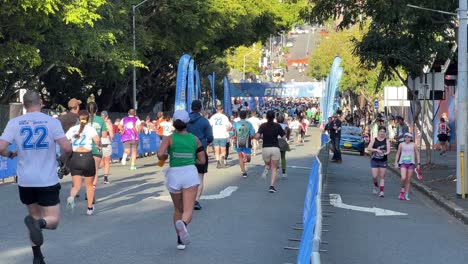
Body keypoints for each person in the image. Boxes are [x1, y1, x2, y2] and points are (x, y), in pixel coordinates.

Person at [0, 90, 72, 264]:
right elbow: (67, 148)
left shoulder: (14, 122)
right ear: (40, 103)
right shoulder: (51, 122)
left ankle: (37, 256)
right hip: (46, 179)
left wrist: (10, 155)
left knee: (34, 216)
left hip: (25, 181)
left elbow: (1, 147)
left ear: (24, 105)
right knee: (52, 221)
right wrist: (62, 159)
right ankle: (39, 226)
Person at [157, 110, 206, 250]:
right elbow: (202, 160)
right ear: (187, 123)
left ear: (174, 123)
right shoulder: (194, 139)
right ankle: (183, 226)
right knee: (188, 210)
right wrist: (191, 158)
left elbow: (160, 154)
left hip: (174, 174)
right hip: (189, 172)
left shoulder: (169, 138)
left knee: (178, 209)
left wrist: (165, 156)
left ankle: (179, 240)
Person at [65, 110, 100, 215]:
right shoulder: (91, 129)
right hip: (87, 157)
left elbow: (66, 141)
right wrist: (98, 146)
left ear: (78, 119)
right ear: (88, 119)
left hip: (75, 157)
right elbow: (97, 140)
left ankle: (71, 197)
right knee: (89, 185)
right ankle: (89, 208)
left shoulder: (72, 129)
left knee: (76, 185)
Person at [187, 100, 213, 211]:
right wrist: (204, 143)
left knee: (186, 176)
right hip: (200, 150)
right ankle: (196, 200)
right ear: (201, 108)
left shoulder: (185, 120)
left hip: (186, 150)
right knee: (200, 176)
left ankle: (186, 199)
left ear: (191, 107)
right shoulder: (204, 121)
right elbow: (210, 137)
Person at [255, 110, 285, 193]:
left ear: (266, 117)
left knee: (268, 164)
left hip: (265, 148)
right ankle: (272, 186)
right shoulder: (277, 126)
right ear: (274, 117)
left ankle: (266, 168)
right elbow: (284, 136)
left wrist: (259, 137)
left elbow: (257, 136)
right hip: (275, 148)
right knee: (274, 168)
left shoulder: (263, 126)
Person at [87, 102, 108, 194]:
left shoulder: (82, 119)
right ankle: (91, 191)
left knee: (86, 171)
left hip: (84, 149)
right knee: (94, 171)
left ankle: (88, 189)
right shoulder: (101, 120)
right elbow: (104, 136)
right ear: (97, 109)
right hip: (97, 148)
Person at [394, 132, 420, 201]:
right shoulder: (401, 144)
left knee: (408, 180)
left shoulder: (413, 144)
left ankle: (406, 194)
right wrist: (396, 163)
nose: (407, 138)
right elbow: (398, 153)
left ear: (411, 138)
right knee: (403, 177)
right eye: (406, 137)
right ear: (404, 138)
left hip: (411, 163)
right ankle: (402, 190)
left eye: (408, 137)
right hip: (403, 163)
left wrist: (418, 163)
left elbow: (417, 154)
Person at [367, 126, 391, 197]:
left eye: (383, 132)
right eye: (381, 131)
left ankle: (381, 192)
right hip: (374, 160)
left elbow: (389, 151)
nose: (382, 133)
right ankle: (375, 185)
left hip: (383, 160)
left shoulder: (386, 141)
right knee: (374, 176)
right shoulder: (374, 139)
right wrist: (376, 150)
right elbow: (369, 148)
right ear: (378, 132)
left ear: (385, 133)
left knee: (382, 176)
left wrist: (384, 153)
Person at [233, 110, 255, 178]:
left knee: (241, 158)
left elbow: (232, 133)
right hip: (247, 142)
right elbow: (252, 134)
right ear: (246, 116)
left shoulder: (235, 124)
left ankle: (243, 171)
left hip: (238, 142)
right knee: (248, 159)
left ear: (239, 116)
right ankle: (243, 172)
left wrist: (234, 136)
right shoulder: (249, 124)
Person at [100, 111, 114, 184]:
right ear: (107, 117)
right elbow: (112, 135)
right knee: (107, 162)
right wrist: (112, 138)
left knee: (99, 161)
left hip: (98, 143)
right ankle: (105, 178)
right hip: (106, 143)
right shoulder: (108, 124)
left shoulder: (97, 123)